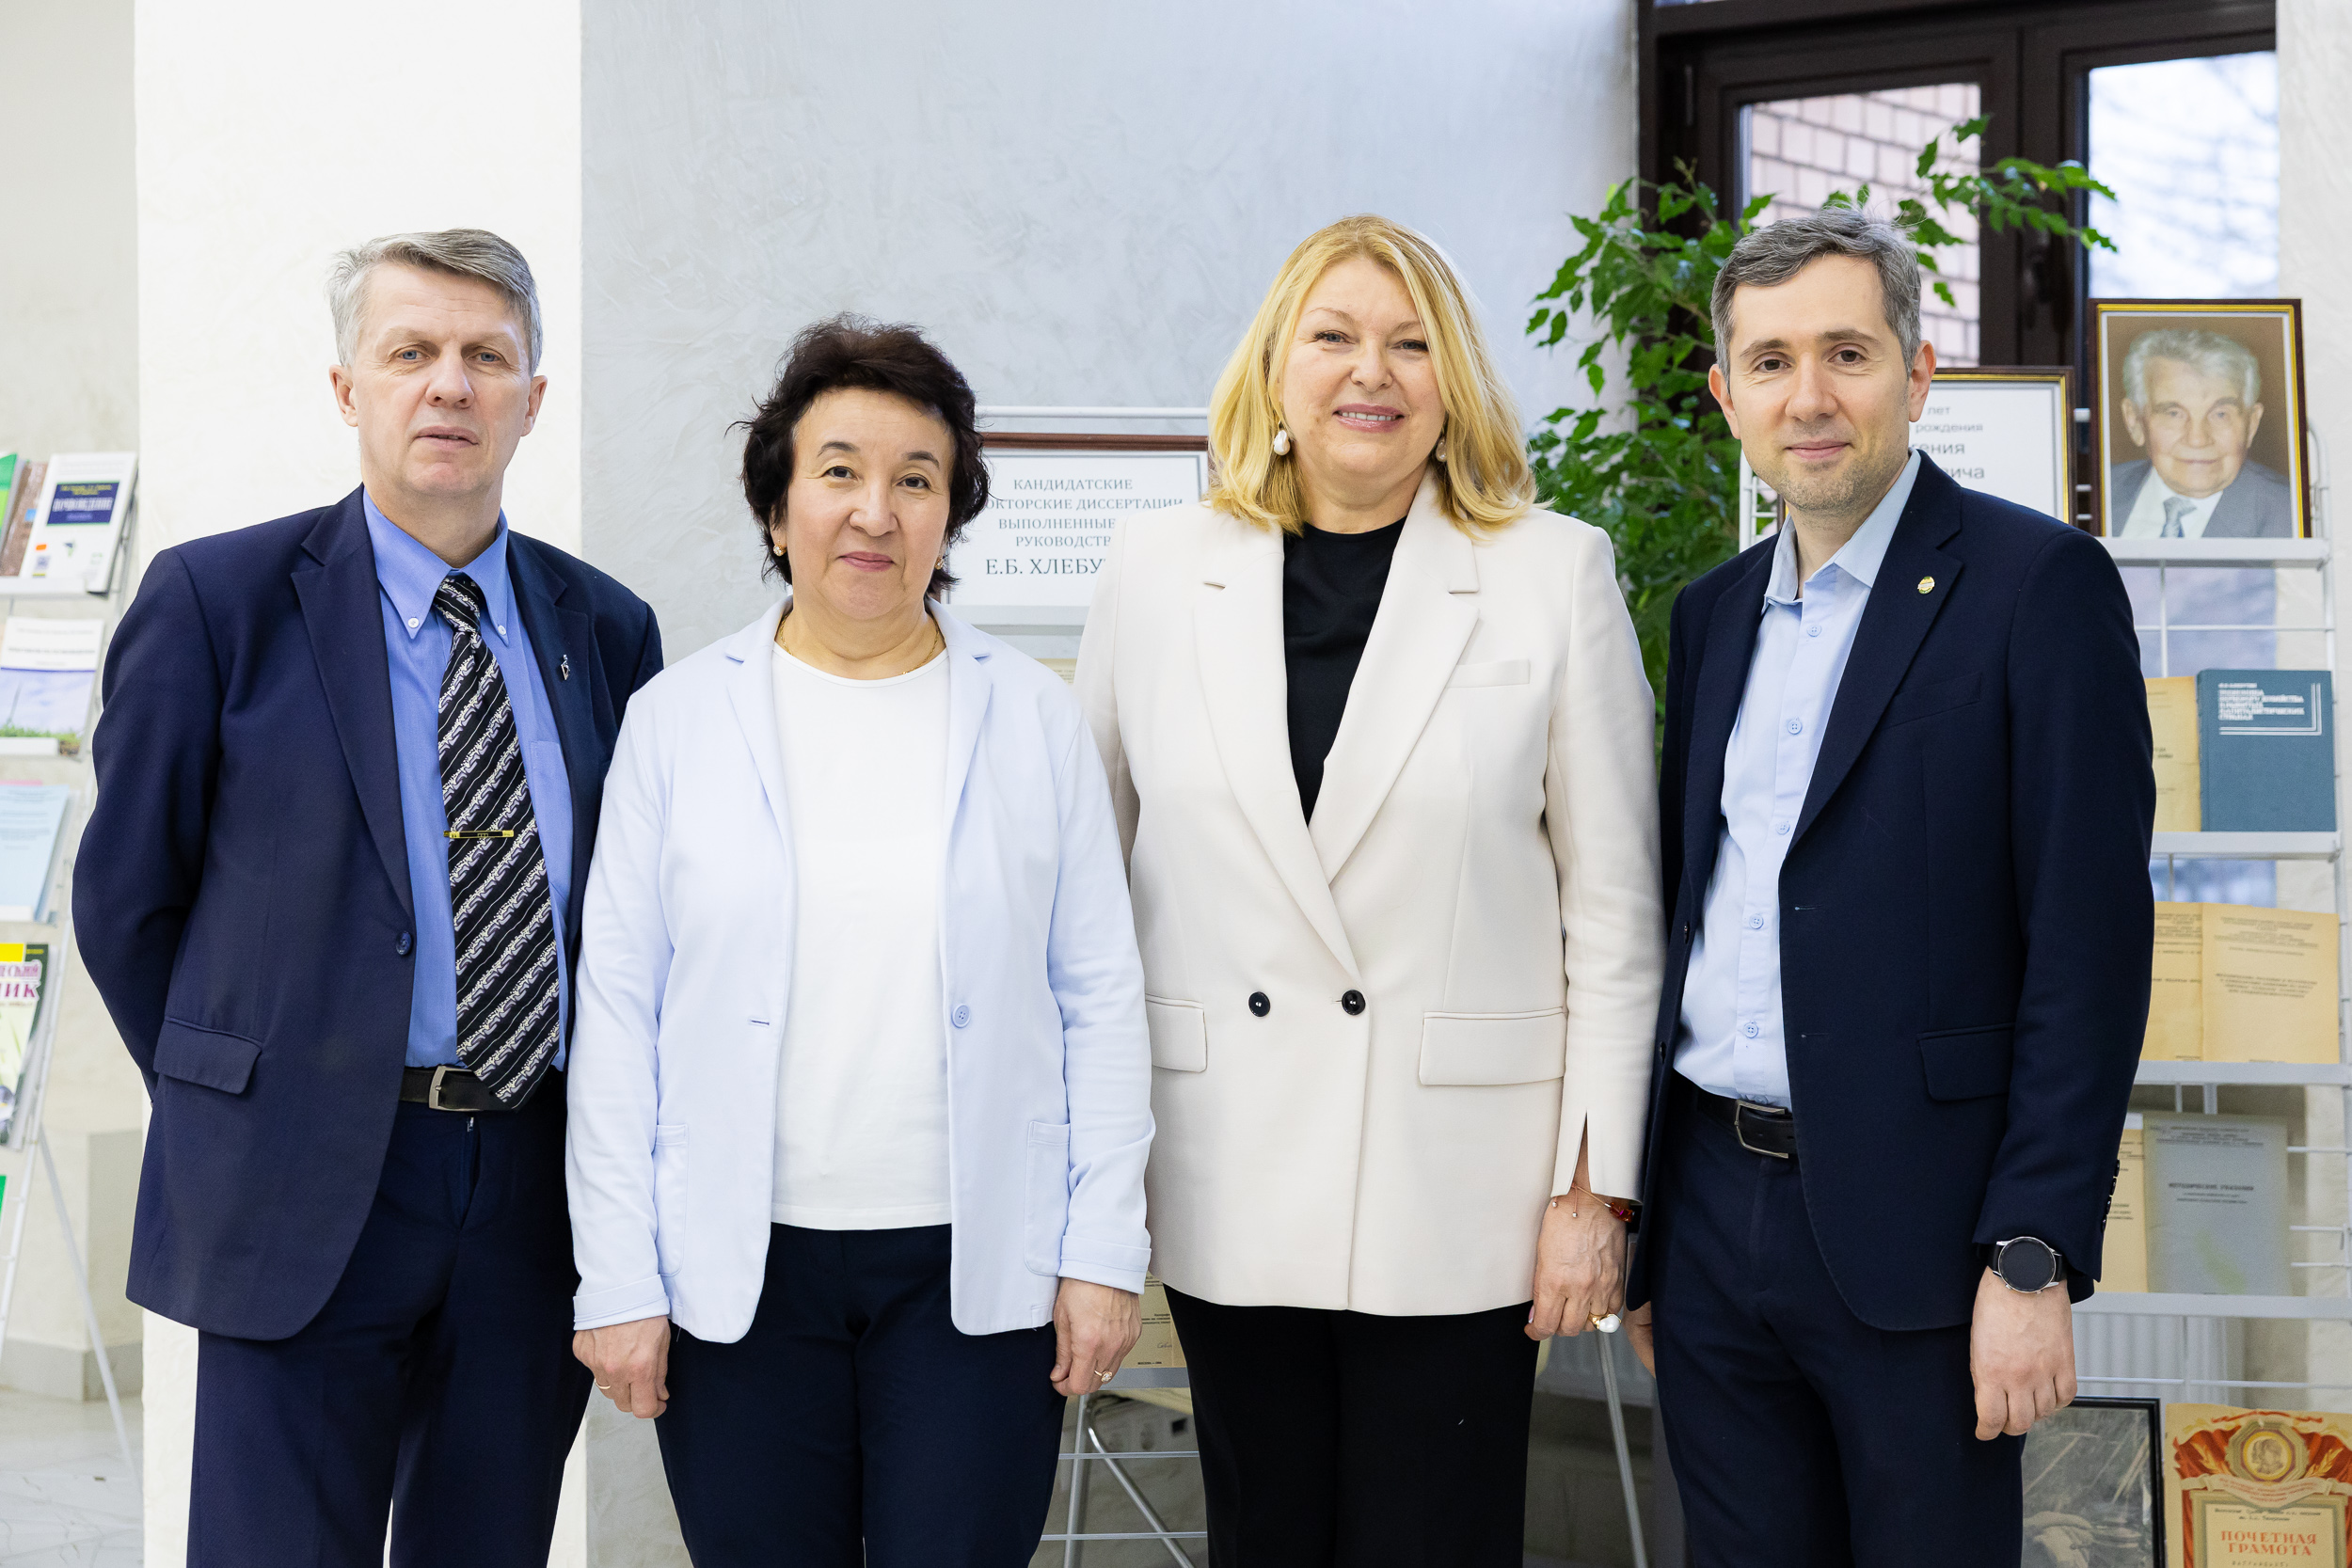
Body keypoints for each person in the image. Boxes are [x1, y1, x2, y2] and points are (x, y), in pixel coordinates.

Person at [1076, 214, 1662, 1567]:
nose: (1370, 372)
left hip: (1463, 1180)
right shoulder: (1154, 571)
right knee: (1265, 1537)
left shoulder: (1551, 571)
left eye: (1410, 343)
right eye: (1332, 336)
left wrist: (1594, 1191)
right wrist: (1089, 1174)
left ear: (1453, 379)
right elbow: (1088, 901)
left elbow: (1615, 915)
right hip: (1225, 1155)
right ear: (1274, 369)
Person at [75, 229, 662, 1565]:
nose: (449, 384)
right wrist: (250, 1095)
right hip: (299, 1182)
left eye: (485, 357)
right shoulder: (218, 601)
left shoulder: (605, 629)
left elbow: (628, 914)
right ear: (349, 388)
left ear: (532, 397)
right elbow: (127, 900)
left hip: (530, 1186)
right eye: (411, 352)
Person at [566, 315, 1153, 1568]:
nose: (874, 511)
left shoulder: (1033, 719)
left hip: (977, 1272)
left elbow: (1102, 998)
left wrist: (1104, 1251)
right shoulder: (676, 721)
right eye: (838, 471)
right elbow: (616, 1012)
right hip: (739, 1276)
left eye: (916, 479)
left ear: (951, 514)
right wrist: (615, 1271)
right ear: (777, 509)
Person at [1628, 209, 2153, 1566]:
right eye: (1770, 361)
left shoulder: (2039, 587)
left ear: (1916, 375)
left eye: (1847, 353)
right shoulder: (1709, 615)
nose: (1808, 397)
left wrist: (2032, 1250)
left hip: (1927, 1237)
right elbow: (1692, 912)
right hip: (1709, 1217)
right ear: (1726, 394)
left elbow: (2088, 949)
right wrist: (1648, 1233)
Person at [2108, 325, 2296, 537]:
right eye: (2174, 413)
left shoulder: (2289, 516)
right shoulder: (2099, 493)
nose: (2197, 440)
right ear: (2134, 420)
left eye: (2220, 414)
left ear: (2251, 424)